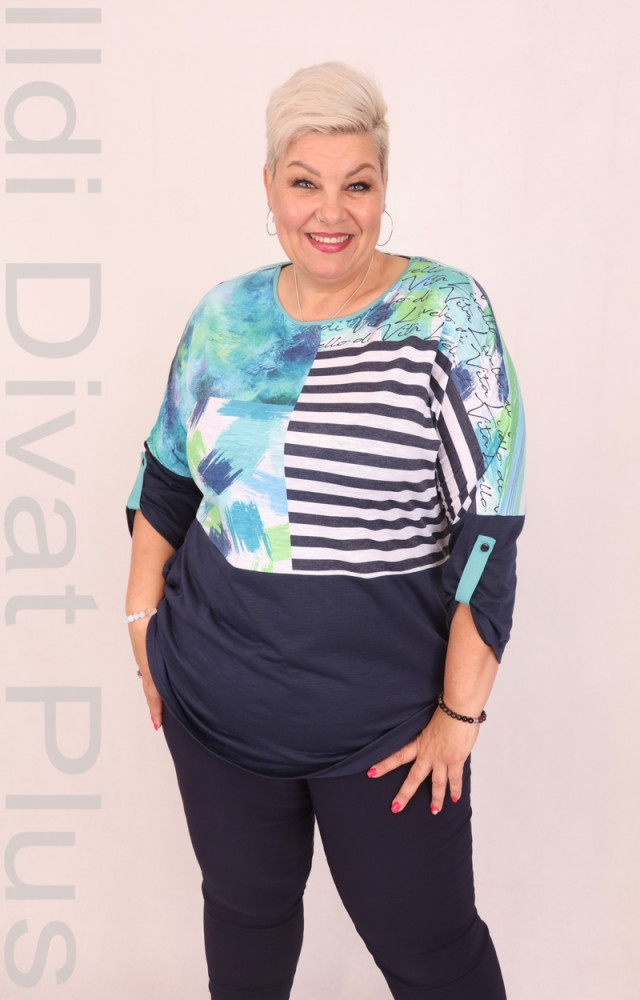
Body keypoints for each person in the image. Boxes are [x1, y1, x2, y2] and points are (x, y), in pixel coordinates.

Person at [125, 61, 525, 1000]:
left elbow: (489, 533)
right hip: (216, 711)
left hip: (384, 735)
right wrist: (141, 619)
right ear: (269, 187)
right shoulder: (223, 316)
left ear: (384, 189)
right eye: (305, 182)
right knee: (246, 920)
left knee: (435, 956)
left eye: (357, 184)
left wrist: (458, 717)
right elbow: (167, 477)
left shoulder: (446, 316)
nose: (330, 212)